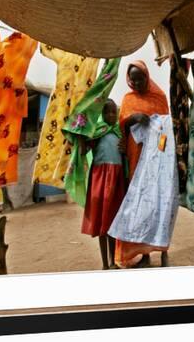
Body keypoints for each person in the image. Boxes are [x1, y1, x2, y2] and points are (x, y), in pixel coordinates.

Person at [115, 60, 170, 268]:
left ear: (147, 76)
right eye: (133, 79)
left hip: (155, 162)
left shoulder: (160, 97)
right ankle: (145, 255)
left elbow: (167, 131)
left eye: (141, 78)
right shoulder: (128, 100)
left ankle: (164, 251)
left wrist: (163, 155)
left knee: (158, 207)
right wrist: (133, 118)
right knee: (140, 209)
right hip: (135, 161)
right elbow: (122, 128)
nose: (137, 83)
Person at [79, 100, 125, 269]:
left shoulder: (120, 134)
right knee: (101, 223)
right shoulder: (96, 133)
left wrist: (124, 149)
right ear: (101, 114)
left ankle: (113, 261)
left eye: (113, 112)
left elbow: (126, 154)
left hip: (117, 180)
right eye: (106, 112)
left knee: (112, 221)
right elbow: (83, 151)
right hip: (100, 179)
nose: (110, 116)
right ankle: (105, 264)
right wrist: (80, 135)